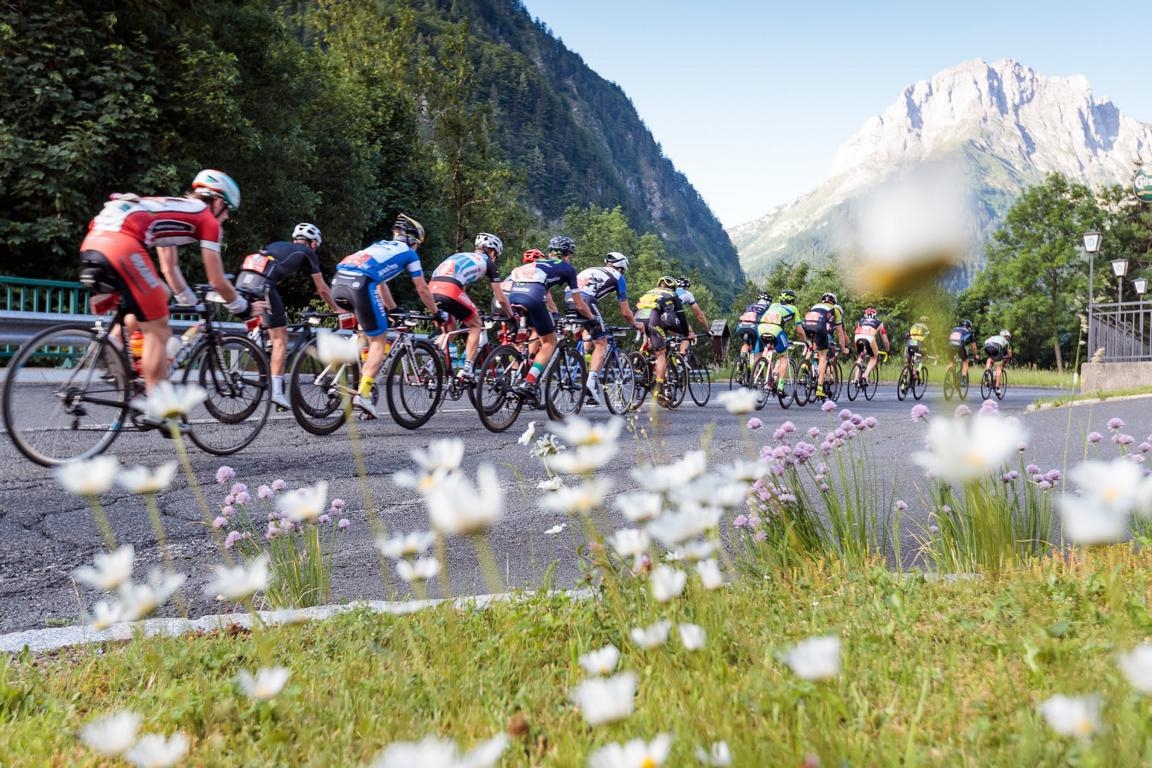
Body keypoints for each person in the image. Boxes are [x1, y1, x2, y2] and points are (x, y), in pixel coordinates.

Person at [78, 169, 259, 399]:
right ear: (217, 202)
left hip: (95, 239)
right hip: (122, 242)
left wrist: (190, 303)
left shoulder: (171, 209)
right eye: (228, 211)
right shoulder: (207, 220)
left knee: (160, 294)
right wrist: (243, 308)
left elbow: (169, 268)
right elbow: (217, 279)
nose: (227, 218)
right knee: (160, 328)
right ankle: (157, 404)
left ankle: (115, 342)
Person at [330, 214, 447, 418]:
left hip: (339, 280)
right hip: (361, 284)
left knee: (364, 334)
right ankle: (364, 394)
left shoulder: (379, 246)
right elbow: (422, 289)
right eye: (418, 244)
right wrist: (436, 313)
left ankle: (341, 374)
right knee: (379, 340)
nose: (417, 248)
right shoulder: (410, 254)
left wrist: (392, 309)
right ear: (412, 240)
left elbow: (381, 282)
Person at [235, 223, 343, 409]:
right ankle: (276, 392)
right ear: (313, 244)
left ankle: (256, 343)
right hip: (263, 284)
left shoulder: (277, 245)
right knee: (281, 339)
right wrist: (336, 308)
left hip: (242, 281)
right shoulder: (308, 252)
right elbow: (322, 289)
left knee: (264, 318)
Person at [505, 235, 594, 398]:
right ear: (568, 255)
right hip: (532, 297)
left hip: (512, 296)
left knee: (530, 334)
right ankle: (529, 381)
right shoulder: (568, 268)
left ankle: (519, 369)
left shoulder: (536, 263)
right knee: (549, 342)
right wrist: (592, 320)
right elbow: (580, 304)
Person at [430, 232, 511, 382]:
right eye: (496, 255)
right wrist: (511, 315)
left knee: (451, 329)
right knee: (476, 325)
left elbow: (462, 289)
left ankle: (431, 363)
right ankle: (467, 369)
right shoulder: (488, 262)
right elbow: (501, 297)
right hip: (450, 289)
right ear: (492, 252)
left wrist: (470, 307)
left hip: (432, 289)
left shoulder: (461, 256)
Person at [565, 251, 637, 405]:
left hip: (568, 299)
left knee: (590, 333)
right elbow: (625, 312)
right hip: (585, 300)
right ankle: (590, 384)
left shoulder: (592, 269)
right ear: (622, 267)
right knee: (602, 342)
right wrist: (635, 324)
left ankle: (576, 363)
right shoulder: (618, 277)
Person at [634, 275, 691, 407]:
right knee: (661, 354)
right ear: (673, 287)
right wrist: (686, 333)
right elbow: (681, 316)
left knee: (649, 341)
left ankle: (640, 367)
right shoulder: (672, 294)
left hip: (638, 316)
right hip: (653, 317)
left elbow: (635, 308)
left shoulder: (649, 292)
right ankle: (659, 386)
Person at [759, 289, 808, 394]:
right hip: (776, 329)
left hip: (761, 328)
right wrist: (805, 341)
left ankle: (765, 373)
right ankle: (780, 386)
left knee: (768, 348)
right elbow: (799, 330)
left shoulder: (773, 305)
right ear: (793, 300)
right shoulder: (793, 308)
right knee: (783, 357)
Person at [802, 292, 849, 399]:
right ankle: (819, 388)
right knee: (823, 357)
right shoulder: (835, 310)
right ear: (833, 302)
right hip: (822, 331)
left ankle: (807, 362)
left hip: (806, 326)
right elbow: (841, 333)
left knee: (814, 344)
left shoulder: (815, 306)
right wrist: (844, 348)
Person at [852, 307, 890, 387]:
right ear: (875, 315)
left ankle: (855, 379)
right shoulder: (879, 323)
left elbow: (858, 331)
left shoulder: (861, 321)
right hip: (869, 338)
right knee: (874, 358)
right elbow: (885, 340)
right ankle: (865, 375)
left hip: (857, 337)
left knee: (860, 356)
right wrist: (887, 350)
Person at [674, 276, 710, 356]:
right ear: (686, 287)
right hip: (672, 316)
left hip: (655, 315)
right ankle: (681, 358)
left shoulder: (667, 291)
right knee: (688, 334)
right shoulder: (687, 294)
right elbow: (700, 316)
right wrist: (707, 329)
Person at [735, 291, 774, 363]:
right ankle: (756, 370)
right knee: (758, 350)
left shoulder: (751, 306)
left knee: (746, 343)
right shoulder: (768, 308)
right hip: (754, 327)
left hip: (741, 326)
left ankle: (741, 360)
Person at [948, 319, 979, 383]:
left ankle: (947, 378)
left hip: (950, 344)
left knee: (951, 362)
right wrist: (975, 355)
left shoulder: (954, 329)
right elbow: (974, 346)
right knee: (965, 361)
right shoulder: (969, 331)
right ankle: (963, 379)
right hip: (959, 345)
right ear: (969, 326)